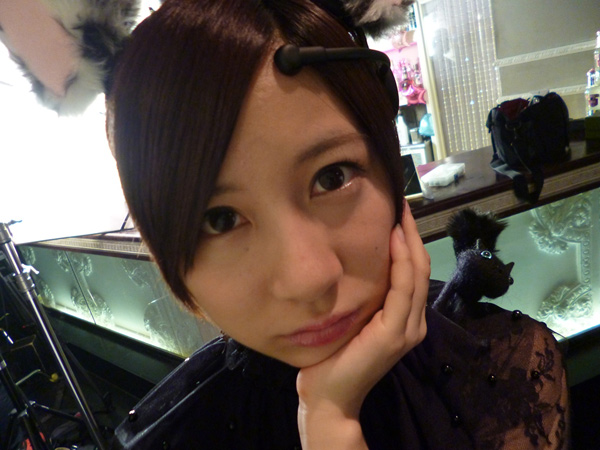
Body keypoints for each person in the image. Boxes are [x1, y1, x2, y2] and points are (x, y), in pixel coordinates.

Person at [106, 0, 569, 448]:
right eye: (220, 219)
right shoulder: (188, 435)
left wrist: (332, 419)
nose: (307, 279)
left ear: (389, 172)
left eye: (332, 177)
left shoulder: (509, 373)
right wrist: (328, 415)